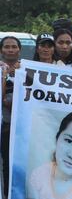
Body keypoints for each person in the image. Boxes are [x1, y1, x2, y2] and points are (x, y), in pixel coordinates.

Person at [0, 36, 22, 197]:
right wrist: (4, 76)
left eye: (14, 46)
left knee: (17, 164)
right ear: (1, 50)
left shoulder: (27, 68)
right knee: (6, 164)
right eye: (7, 46)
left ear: (19, 49)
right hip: (4, 124)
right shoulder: (0, 69)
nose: (10, 49)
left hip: (21, 126)